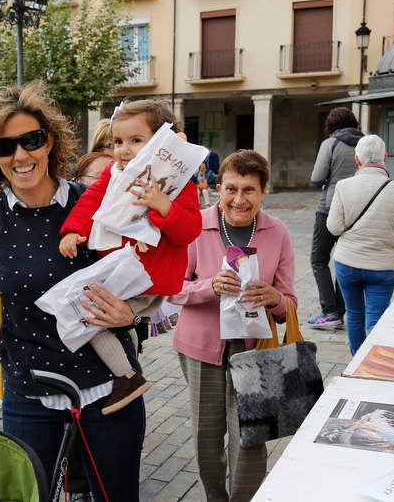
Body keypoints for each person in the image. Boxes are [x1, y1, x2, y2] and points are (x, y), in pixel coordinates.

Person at [0, 82, 146, 501]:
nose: (20, 156)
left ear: (50, 141)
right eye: (5, 146)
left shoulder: (96, 206)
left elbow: (149, 281)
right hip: (29, 394)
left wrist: (133, 317)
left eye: (31, 140)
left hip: (110, 390)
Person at [168, 149, 297, 501]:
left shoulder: (277, 232)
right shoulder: (195, 227)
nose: (239, 199)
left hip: (255, 351)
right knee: (206, 437)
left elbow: (290, 304)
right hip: (202, 347)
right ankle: (214, 497)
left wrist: (274, 298)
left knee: (252, 436)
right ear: (218, 187)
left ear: (263, 191)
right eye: (231, 189)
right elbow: (172, 286)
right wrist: (207, 285)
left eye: (249, 190)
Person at [59, 99, 202, 414]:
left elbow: (189, 231)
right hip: (125, 271)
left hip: (148, 275)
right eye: (118, 141)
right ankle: (127, 369)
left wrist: (163, 204)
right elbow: (91, 199)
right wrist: (73, 230)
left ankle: (127, 377)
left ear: (162, 144)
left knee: (89, 317)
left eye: (136, 141)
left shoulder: (179, 185)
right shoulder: (115, 172)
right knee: (104, 319)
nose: (123, 149)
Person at [326, 134, 394, 355]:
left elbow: (334, 227)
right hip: (382, 267)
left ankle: (358, 362)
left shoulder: (343, 187)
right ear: (385, 157)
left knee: (354, 314)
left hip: (347, 264)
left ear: (357, 160)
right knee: (376, 319)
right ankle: (375, 365)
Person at [309, 107, 363, 330]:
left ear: (331, 125)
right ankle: (340, 310)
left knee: (319, 259)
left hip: (330, 207)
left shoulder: (330, 144)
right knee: (344, 258)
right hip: (358, 208)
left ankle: (330, 311)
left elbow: (316, 177)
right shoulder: (365, 143)